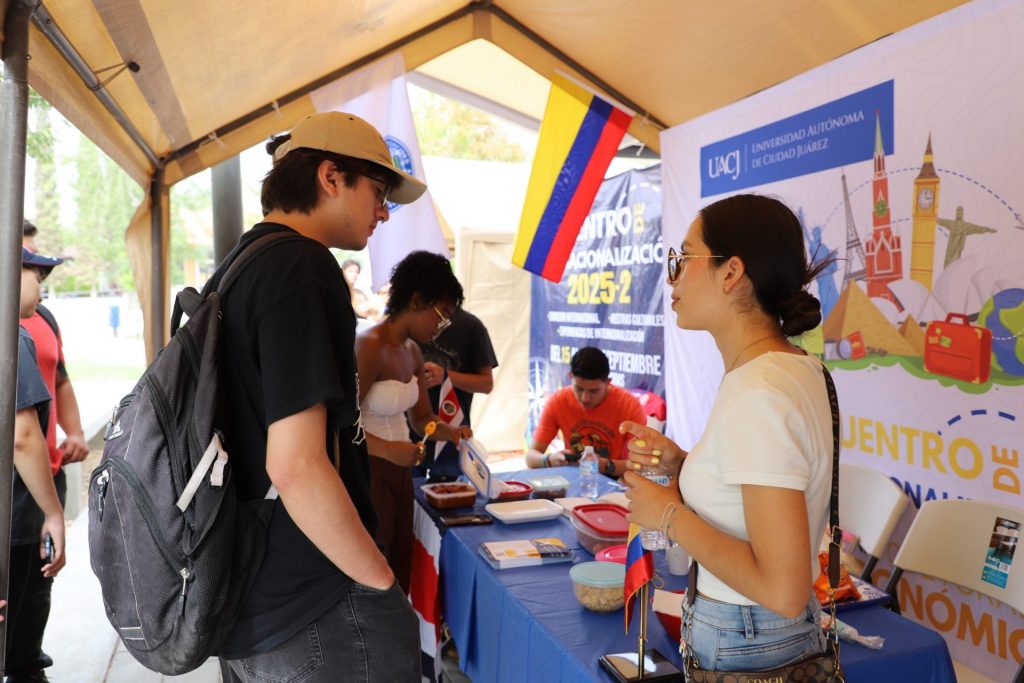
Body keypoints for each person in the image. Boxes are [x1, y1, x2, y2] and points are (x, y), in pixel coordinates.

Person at [215, 111, 425, 682]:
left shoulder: (240, 266)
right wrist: (379, 581)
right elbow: (296, 464)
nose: (384, 212)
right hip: (311, 601)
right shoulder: (301, 266)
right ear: (331, 177)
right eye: (379, 192)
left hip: (248, 595)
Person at [621, 193, 834, 673]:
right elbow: (758, 495)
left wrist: (668, 514)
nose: (672, 276)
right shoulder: (790, 369)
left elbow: (782, 588)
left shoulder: (760, 389)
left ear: (731, 272)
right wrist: (684, 465)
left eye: (684, 257)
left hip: (750, 639)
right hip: (758, 635)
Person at [356, 250, 471, 593]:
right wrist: (389, 450)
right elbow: (340, 423)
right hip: (367, 471)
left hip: (401, 472)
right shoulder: (369, 345)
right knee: (374, 570)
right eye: (441, 315)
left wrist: (453, 433)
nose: (441, 326)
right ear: (417, 300)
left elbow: (422, 420)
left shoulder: (413, 351)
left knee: (399, 565)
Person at [6, 247, 68, 683]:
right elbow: (22, 436)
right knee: (22, 655)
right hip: (15, 519)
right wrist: (53, 512)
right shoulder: (13, 337)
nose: (41, 289)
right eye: (35, 276)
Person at [526, 346, 645, 476]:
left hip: (613, 480)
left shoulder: (629, 406)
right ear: (570, 377)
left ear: (608, 382)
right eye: (579, 389)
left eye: (593, 391)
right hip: (573, 477)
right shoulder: (558, 401)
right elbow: (530, 457)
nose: (585, 398)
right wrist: (549, 460)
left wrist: (604, 466)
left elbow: (642, 466)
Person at [414, 305, 498, 481]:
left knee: (448, 493)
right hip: (410, 434)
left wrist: (446, 376)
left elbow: (486, 384)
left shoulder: (471, 326)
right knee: (408, 491)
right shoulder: (411, 321)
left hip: (452, 435)